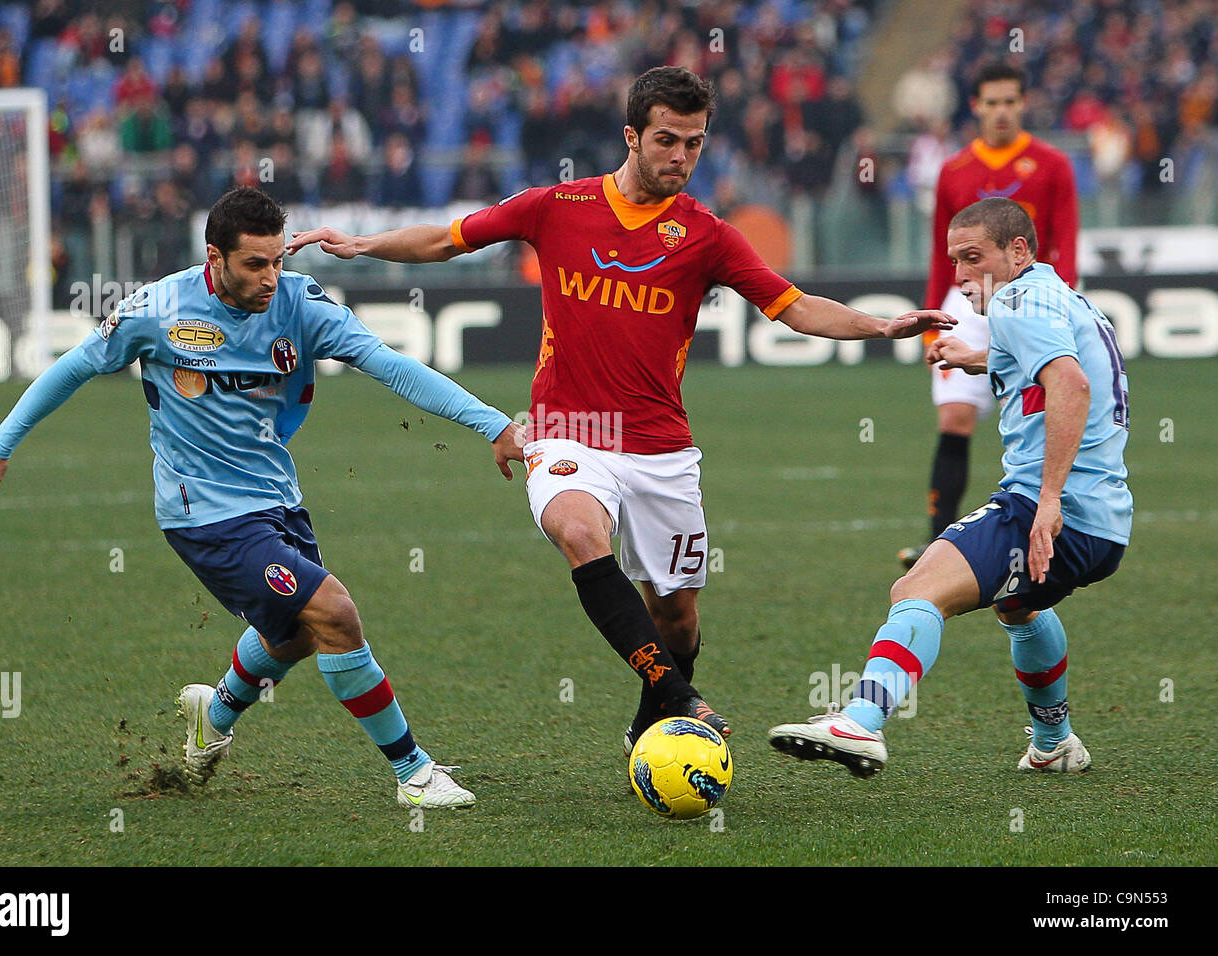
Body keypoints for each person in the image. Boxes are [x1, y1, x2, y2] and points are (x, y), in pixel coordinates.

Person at [287, 66, 953, 755]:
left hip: (661, 447)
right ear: (632, 135)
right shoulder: (557, 205)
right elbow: (449, 238)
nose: (682, 158)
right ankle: (682, 699)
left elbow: (795, 305)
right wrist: (365, 246)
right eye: (668, 140)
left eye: (695, 144)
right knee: (580, 532)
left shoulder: (708, 235)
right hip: (567, 430)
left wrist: (878, 326)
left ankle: (654, 715)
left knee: (678, 615)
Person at [0, 187, 523, 809]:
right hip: (201, 511)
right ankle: (413, 773)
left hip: (275, 497)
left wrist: (491, 423)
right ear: (214, 257)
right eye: (255, 264)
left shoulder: (300, 305)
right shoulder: (159, 309)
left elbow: (391, 366)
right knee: (333, 614)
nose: (270, 277)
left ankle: (215, 714)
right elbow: (74, 367)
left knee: (297, 636)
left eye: (278, 260)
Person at [770, 197, 1130, 776]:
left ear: (1017, 252)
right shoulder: (1058, 296)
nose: (960, 277)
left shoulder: (1015, 300)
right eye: (953, 261)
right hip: (1107, 522)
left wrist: (1048, 501)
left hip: (1057, 509)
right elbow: (1056, 360)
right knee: (1019, 606)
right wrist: (980, 359)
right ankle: (1054, 742)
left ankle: (861, 722)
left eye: (973, 258)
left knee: (917, 587)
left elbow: (1071, 385)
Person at [900, 61, 1080, 569]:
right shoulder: (955, 171)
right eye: (991, 102)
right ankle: (936, 544)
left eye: (1010, 101)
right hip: (968, 305)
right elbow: (943, 255)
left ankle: (1047, 525)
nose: (1001, 111)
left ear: (1023, 104)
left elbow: (1065, 243)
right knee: (955, 417)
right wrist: (932, 319)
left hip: (1031, 303)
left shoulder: (1051, 165)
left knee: (1036, 417)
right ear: (976, 106)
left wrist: (1061, 302)